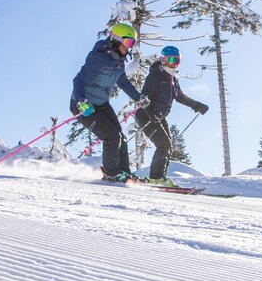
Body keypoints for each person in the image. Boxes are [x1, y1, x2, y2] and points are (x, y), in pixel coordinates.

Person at [71, 22, 148, 181]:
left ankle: (124, 173)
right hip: (84, 105)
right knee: (112, 137)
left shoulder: (119, 61)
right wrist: (81, 101)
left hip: (102, 104)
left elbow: (123, 82)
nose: (129, 47)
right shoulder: (99, 57)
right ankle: (111, 173)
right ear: (116, 40)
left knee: (121, 137)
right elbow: (78, 80)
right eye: (127, 42)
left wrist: (138, 97)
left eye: (132, 43)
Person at [135, 45, 208, 185]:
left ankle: (159, 177)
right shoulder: (155, 76)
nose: (173, 63)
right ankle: (156, 178)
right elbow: (144, 97)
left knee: (168, 146)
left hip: (159, 116)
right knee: (163, 144)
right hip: (146, 115)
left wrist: (197, 105)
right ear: (162, 60)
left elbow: (180, 97)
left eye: (176, 61)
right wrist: (150, 111)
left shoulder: (173, 80)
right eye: (170, 60)